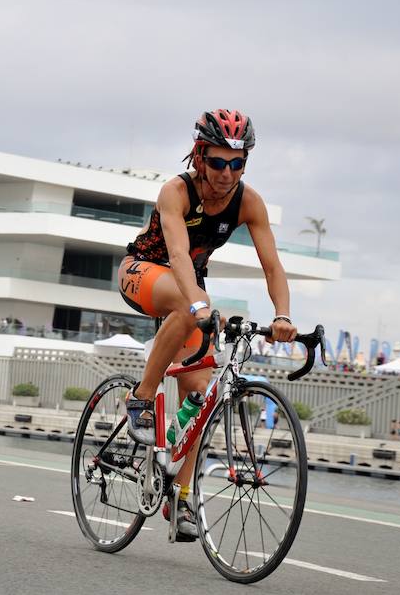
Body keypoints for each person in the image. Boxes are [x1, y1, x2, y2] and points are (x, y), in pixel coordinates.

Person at [117, 109, 298, 540]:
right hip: (143, 270)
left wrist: (283, 315)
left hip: (189, 292)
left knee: (199, 396)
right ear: (199, 156)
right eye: (218, 162)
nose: (227, 173)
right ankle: (141, 397)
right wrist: (198, 303)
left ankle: (180, 496)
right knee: (189, 301)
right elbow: (178, 255)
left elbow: (272, 266)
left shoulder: (248, 202)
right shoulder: (175, 192)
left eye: (238, 164)